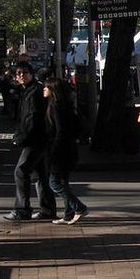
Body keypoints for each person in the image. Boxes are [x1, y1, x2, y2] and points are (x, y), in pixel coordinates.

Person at [4, 61, 56, 221]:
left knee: (21, 171)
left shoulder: (33, 93)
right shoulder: (28, 91)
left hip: (35, 139)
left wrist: (21, 137)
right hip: (40, 138)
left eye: (24, 73)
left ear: (31, 74)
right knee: (40, 174)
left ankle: (22, 209)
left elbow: (31, 118)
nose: (21, 76)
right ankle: (47, 209)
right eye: (18, 73)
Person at [42, 76, 88, 224]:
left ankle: (78, 207)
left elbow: (60, 130)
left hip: (61, 151)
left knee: (54, 182)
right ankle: (69, 213)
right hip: (69, 149)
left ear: (53, 90)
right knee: (64, 181)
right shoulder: (66, 105)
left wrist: (55, 148)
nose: (44, 89)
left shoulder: (56, 107)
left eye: (47, 87)